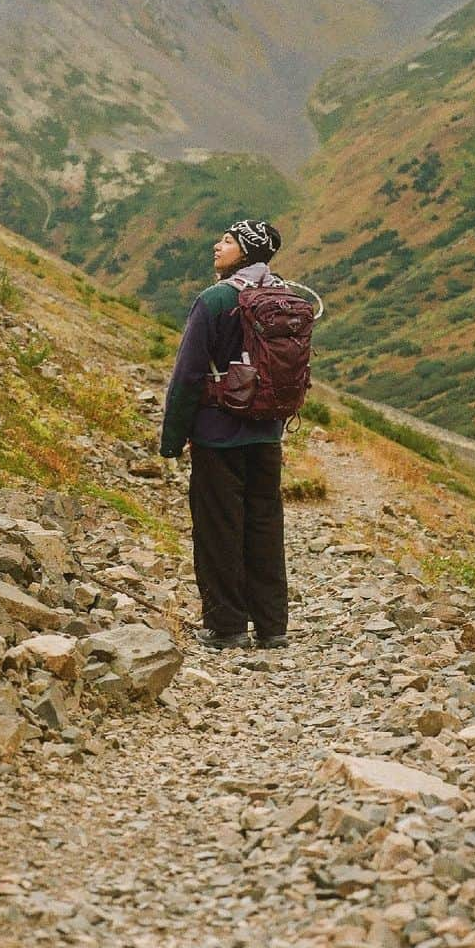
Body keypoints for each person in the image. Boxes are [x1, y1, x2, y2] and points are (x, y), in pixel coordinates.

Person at [159, 220, 290, 651]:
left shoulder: (215, 300)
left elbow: (188, 374)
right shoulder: (283, 297)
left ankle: (227, 625)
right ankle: (272, 626)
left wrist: (172, 438)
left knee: (219, 529)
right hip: (267, 434)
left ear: (246, 252)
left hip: (218, 434)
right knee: (265, 525)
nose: (218, 245)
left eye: (228, 241)